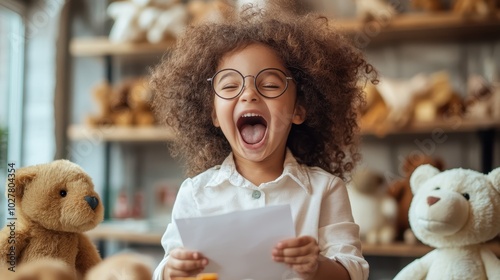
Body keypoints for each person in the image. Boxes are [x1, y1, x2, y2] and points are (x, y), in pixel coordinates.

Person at [150, 2, 376, 280]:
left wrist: (317, 266)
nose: (248, 94)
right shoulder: (195, 194)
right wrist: (173, 271)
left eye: (269, 84)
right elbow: (165, 270)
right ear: (213, 114)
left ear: (299, 109)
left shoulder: (326, 191)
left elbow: (354, 271)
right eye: (230, 85)